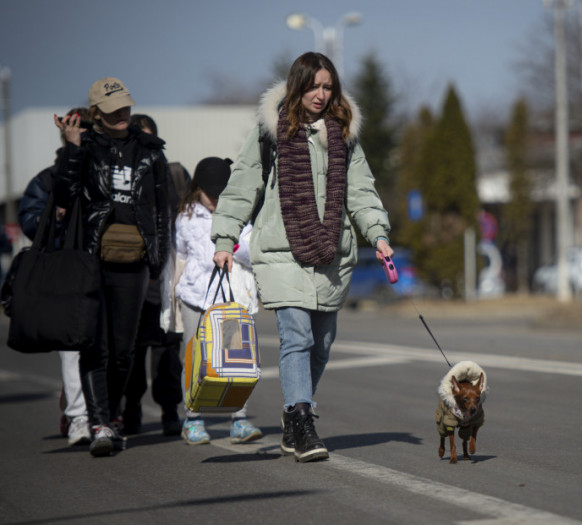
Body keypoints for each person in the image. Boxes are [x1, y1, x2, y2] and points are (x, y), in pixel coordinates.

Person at [211, 52, 393, 463]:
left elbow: (361, 191)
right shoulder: (269, 131)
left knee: (323, 343)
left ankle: (295, 418)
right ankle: (302, 418)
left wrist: (377, 235)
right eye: (314, 86)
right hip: (280, 250)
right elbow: (242, 184)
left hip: (330, 252)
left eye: (328, 87)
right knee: (298, 336)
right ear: (298, 85)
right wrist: (224, 238)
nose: (321, 94)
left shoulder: (344, 134)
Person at [54, 77, 172, 457]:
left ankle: (114, 413)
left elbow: (162, 210)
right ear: (96, 114)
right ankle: (101, 421)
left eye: (125, 106)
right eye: (112, 109)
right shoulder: (84, 149)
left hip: (135, 262)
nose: (122, 114)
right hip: (93, 260)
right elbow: (63, 195)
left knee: (124, 351)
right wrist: (72, 150)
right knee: (95, 346)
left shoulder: (151, 152)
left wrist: (158, 261)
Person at [174, 156, 262, 445]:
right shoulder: (185, 217)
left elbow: (252, 253)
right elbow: (180, 258)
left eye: (219, 194)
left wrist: (231, 243)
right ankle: (193, 419)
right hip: (194, 298)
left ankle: (239, 419)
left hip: (229, 301)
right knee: (192, 358)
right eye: (209, 193)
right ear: (196, 188)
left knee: (234, 359)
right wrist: (170, 302)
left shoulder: (240, 216)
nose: (214, 199)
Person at [18, 108, 92, 446]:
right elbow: (30, 221)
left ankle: (105, 414)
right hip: (63, 270)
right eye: (77, 129)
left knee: (104, 349)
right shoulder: (48, 178)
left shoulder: (99, 173)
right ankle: (77, 416)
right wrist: (56, 215)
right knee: (71, 348)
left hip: (98, 267)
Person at [121, 113, 187, 436]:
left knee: (167, 352)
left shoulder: (171, 175)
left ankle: (170, 409)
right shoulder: (122, 178)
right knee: (132, 351)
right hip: (134, 277)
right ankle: (130, 408)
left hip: (165, 280)